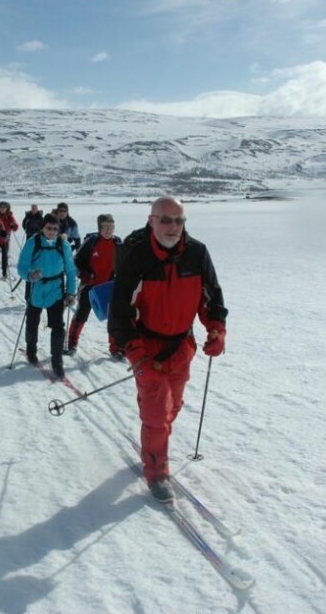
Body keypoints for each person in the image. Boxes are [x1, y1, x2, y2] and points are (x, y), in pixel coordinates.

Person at [108, 197, 227, 503]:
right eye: (165, 220)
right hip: (147, 349)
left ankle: (154, 442)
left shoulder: (197, 253)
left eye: (179, 220)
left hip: (181, 347)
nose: (173, 227)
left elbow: (212, 297)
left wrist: (216, 328)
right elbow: (119, 312)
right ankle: (157, 472)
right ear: (152, 221)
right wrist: (137, 355)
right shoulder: (138, 256)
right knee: (157, 414)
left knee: (172, 407)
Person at [17, 214, 77, 380]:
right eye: (49, 228)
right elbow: (21, 266)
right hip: (36, 288)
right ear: (42, 228)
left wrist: (71, 292)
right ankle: (31, 349)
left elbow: (71, 271)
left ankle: (57, 361)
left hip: (56, 289)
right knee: (32, 322)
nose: (51, 232)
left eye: (55, 229)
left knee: (57, 326)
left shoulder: (63, 245)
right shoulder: (33, 243)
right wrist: (29, 275)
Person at [66, 213, 122, 356]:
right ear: (99, 228)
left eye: (111, 227)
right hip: (89, 286)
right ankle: (72, 343)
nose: (108, 230)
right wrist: (85, 273)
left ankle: (115, 348)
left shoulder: (117, 243)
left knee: (114, 317)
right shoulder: (91, 242)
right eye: (105, 227)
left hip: (108, 287)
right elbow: (77, 261)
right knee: (82, 315)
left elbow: (122, 263)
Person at [0, 201, 19, 279]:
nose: (2, 209)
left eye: (4, 207)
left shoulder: (9, 216)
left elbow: (15, 226)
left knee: (4, 257)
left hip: (5, 240)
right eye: (0, 207)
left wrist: (13, 225)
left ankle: (4, 272)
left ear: (7, 208)